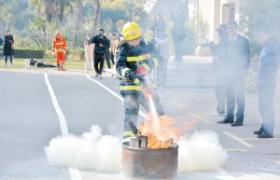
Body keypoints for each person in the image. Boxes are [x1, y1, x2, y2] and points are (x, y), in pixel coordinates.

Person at [116, 22, 165, 141]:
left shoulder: (148, 46)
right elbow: (119, 67)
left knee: (158, 110)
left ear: (140, 36)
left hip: (146, 86)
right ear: (126, 39)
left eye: (136, 39)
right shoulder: (123, 49)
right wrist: (132, 75)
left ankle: (157, 136)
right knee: (131, 111)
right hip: (130, 87)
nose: (134, 42)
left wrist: (147, 67)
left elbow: (159, 59)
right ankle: (127, 139)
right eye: (131, 40)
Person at [217, 21, 250, 126]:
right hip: (227, 73)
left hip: (238, 73)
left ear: (236, 28)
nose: (230, 30)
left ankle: (239, 118)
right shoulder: (225, 40)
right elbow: (222, 53)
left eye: (232, 28)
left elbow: (246, 58)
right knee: (229, 96)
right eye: (228, 28)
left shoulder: (243, 41)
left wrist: (244, 72)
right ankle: (229, 116)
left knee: (239, 96)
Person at [254, 26, 279, 138]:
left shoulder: (273, 46)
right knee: (262, 105)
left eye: (262, 34)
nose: (260, 36)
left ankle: (269, 131)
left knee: (266, 106)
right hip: (262, 80)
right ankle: (264, 126)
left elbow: (274, 64)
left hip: (268, 81)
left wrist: (262, 68)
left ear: (269, 34)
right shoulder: (266, 46)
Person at [210, 24, 228, 116]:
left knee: (221, 90)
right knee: (218, 89)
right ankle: (220, 108)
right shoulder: (222, 41)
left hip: (222, 70)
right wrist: (213, 47)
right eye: (218, 32)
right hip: (218, 70)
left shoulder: (226, 41)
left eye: (220, 32)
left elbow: (225, 54)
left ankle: (221, 109)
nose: (218, 34)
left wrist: (219, 58)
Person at [151, 13, 169, 88]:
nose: (158, 32)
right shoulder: (156, 37)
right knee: (158, 70)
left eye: (159, 30)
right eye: (157, 30)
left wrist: (155, 39)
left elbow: (161, 43)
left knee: (163, 70)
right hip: (158, 56)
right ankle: (158, 84)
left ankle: (162, 85)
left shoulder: (166, 37)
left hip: (164, 56)